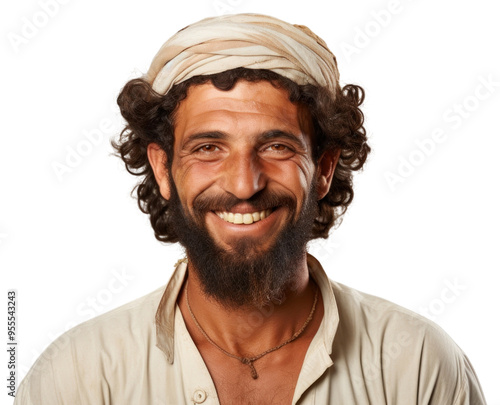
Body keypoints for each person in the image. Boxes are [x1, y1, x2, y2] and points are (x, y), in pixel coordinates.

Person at [15, 13, 485, 405]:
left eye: (277, 146)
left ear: (323, 167)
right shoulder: (74, 378)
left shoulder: (420, 367)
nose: (244, 184)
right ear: (162, 169)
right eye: (207, 148)